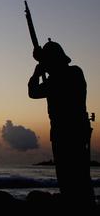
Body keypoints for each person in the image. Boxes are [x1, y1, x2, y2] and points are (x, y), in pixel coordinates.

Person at [28, 40, 95, 207]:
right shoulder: (73, 73)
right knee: (76, 176)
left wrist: (37, 71)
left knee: (71, 176)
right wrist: (42, 63)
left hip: (67, 133)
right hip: (72, 131)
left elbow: (33, 91)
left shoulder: (66, 76)